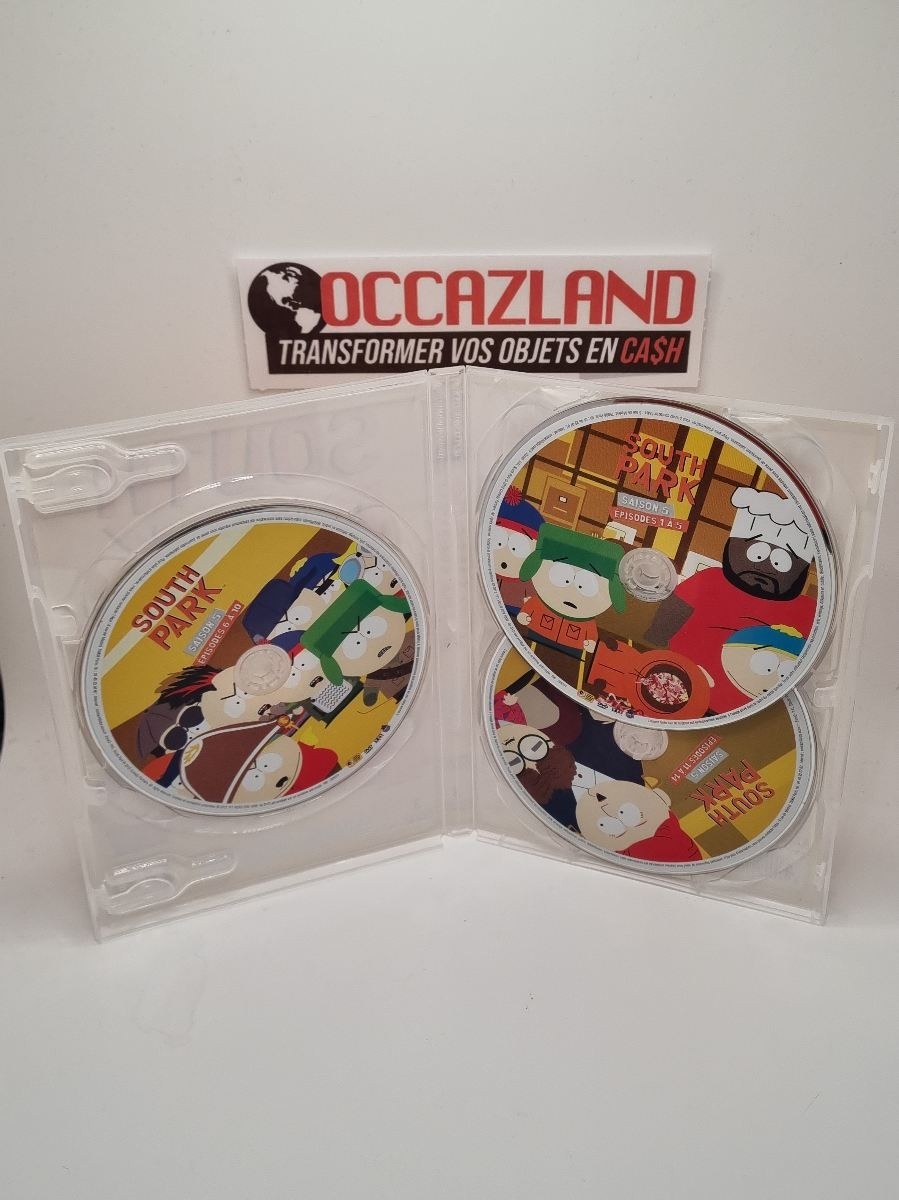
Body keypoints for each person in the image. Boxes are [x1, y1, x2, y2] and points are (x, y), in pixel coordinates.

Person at [516, 523, 626, 689]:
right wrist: (525, 614)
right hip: (534, 638)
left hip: (570, 651)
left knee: (567, 669)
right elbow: (531, 607)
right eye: (561, 577)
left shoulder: (586, 621)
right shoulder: (540, 603)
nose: (571, 592)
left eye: (586, 586)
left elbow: (590, 632)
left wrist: (590, 642)